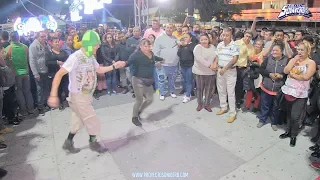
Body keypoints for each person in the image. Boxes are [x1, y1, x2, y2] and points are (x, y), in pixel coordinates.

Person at [47, 30, 126, 153]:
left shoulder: (90, 56)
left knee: (77, 122)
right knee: (92, 120)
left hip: (84, 96)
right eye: (96, 44)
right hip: (78, 97)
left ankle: (68, 142)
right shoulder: (75, 57)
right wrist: (53, 95)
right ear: (89, 44)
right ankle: (93, 143)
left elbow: (99, 69)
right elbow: (59, 74)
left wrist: (114, 66)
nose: (98, 46)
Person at [280, 42, 316, 147]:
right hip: (289, 90)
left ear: (307, 51)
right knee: (288, 113)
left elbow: (306, 77)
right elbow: (285, 70)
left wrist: (292, 74)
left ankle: (293, 135)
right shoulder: (294, 59)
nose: (299, 52)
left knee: (295, 116)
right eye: (298, 49)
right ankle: (288, 131)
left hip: (300, 93)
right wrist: (294, 61)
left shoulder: (311, 62)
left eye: (302, 50)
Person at [126, 38, 163, 126]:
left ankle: (139, 111)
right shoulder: (136, 55)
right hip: (138, 80)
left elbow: (155, 58)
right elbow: (128, 62)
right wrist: (120, 64)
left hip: (148, 81)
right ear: (140, 46)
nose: (146, 48)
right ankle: (134, 117)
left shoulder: (151, 54)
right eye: (144, 46)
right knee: (139, 100)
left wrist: (162, 59)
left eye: (148, 46)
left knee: (150, 99)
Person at [257, 43, 288, 131]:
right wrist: (269, 74)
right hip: (266, 86)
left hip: (278, 88)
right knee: (265, 105)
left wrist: (281, 76)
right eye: (273, 50)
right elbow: (261, 69)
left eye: (276, 50)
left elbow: (288, 73)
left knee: (276, 106)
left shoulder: (286, 60)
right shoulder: (268, 58)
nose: (274, 52)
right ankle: (262, 120)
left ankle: (274, 122)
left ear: (281, 51)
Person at [6, 31, 35, 117]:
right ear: (19, 37)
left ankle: (24, 111)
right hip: (26, 73)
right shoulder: (25, 47)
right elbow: (28, 59)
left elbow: (6, 61)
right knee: (27, 92)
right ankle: (31, 109)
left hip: (16, 74)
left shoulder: (8, 48)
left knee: (19, 92)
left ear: (10, 38)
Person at [216, 28, 239, 123]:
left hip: (230, 71)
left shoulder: (234, 45)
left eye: (227, 35)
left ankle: (232, 113)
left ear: (231, 36)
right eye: (223, 35)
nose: (225, 37)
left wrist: (225, 68)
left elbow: (235, 59)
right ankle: (223, 107)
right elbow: (217, 56)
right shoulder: (220, 44)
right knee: (221, 90)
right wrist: (215, 65)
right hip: (220, 70)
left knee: (230, 92)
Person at [153, 24, 179, 101]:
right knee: (162, 79)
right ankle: (162, 93)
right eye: (168, 27)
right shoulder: (159, 38)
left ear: (173, 29)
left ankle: (172, 91)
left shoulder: (175, 38)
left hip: (173, 63)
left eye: (171, 28)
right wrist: (157, 62)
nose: (169, 29)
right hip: (163, 64)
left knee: (172, 79)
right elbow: (155, 51)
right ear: (165, 28)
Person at [192, 34, 217, 111]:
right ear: (199, 40)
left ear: (208, 40)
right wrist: (210, 66)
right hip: (199, 72)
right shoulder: (198, 48)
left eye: (205, 39)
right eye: (202, 39)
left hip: (210, 72)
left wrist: (215, 63)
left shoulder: (213, 47)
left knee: (209, 89)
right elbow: (199, 59)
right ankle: (200, 103)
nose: (204, 41)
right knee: (199, 89)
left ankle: (207, 104)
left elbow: (216, 56)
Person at [46, 37, 69, 110]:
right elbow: (47, 63)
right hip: (55, 74)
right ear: (52, 44)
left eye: (58, 42)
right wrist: (57, 62)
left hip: (64, 73)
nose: (57, 43)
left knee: (66, 87)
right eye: (55, 42)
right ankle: (60, 103)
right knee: (58, 89)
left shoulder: (63, 52)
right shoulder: (49, 53)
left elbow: (68, 59)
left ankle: (68, 100)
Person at [178, 33, 196, 103]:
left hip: (190, 65)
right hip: (183, 65)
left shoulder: (193, 45)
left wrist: (186, 45)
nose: (185, 38)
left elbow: (192, 51)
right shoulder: (182, 46)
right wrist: (180, 47)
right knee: (185, 80)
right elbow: (178, 54)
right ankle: (189, 92)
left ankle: (187, 95)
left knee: (189, 80)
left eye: (187, 37)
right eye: (184, 37)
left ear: (190, 38)